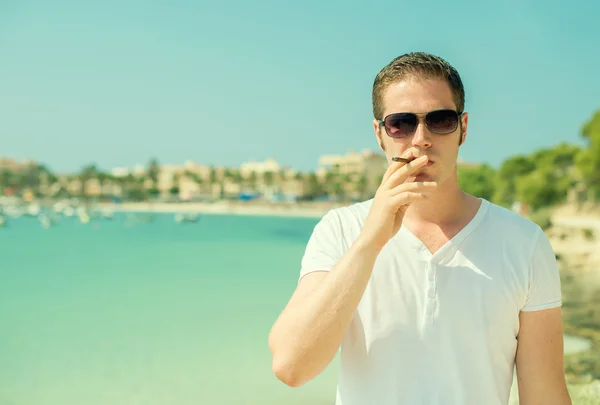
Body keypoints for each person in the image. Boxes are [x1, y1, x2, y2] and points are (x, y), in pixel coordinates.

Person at [268, 52, 572, 405]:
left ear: (464, 128)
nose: (422, 139)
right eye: (401, 123)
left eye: (441, 120)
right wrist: (372, 240)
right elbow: (292, 366)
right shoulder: (340, 230)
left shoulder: (524, 243)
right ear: (379, 134)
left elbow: (545, 395)